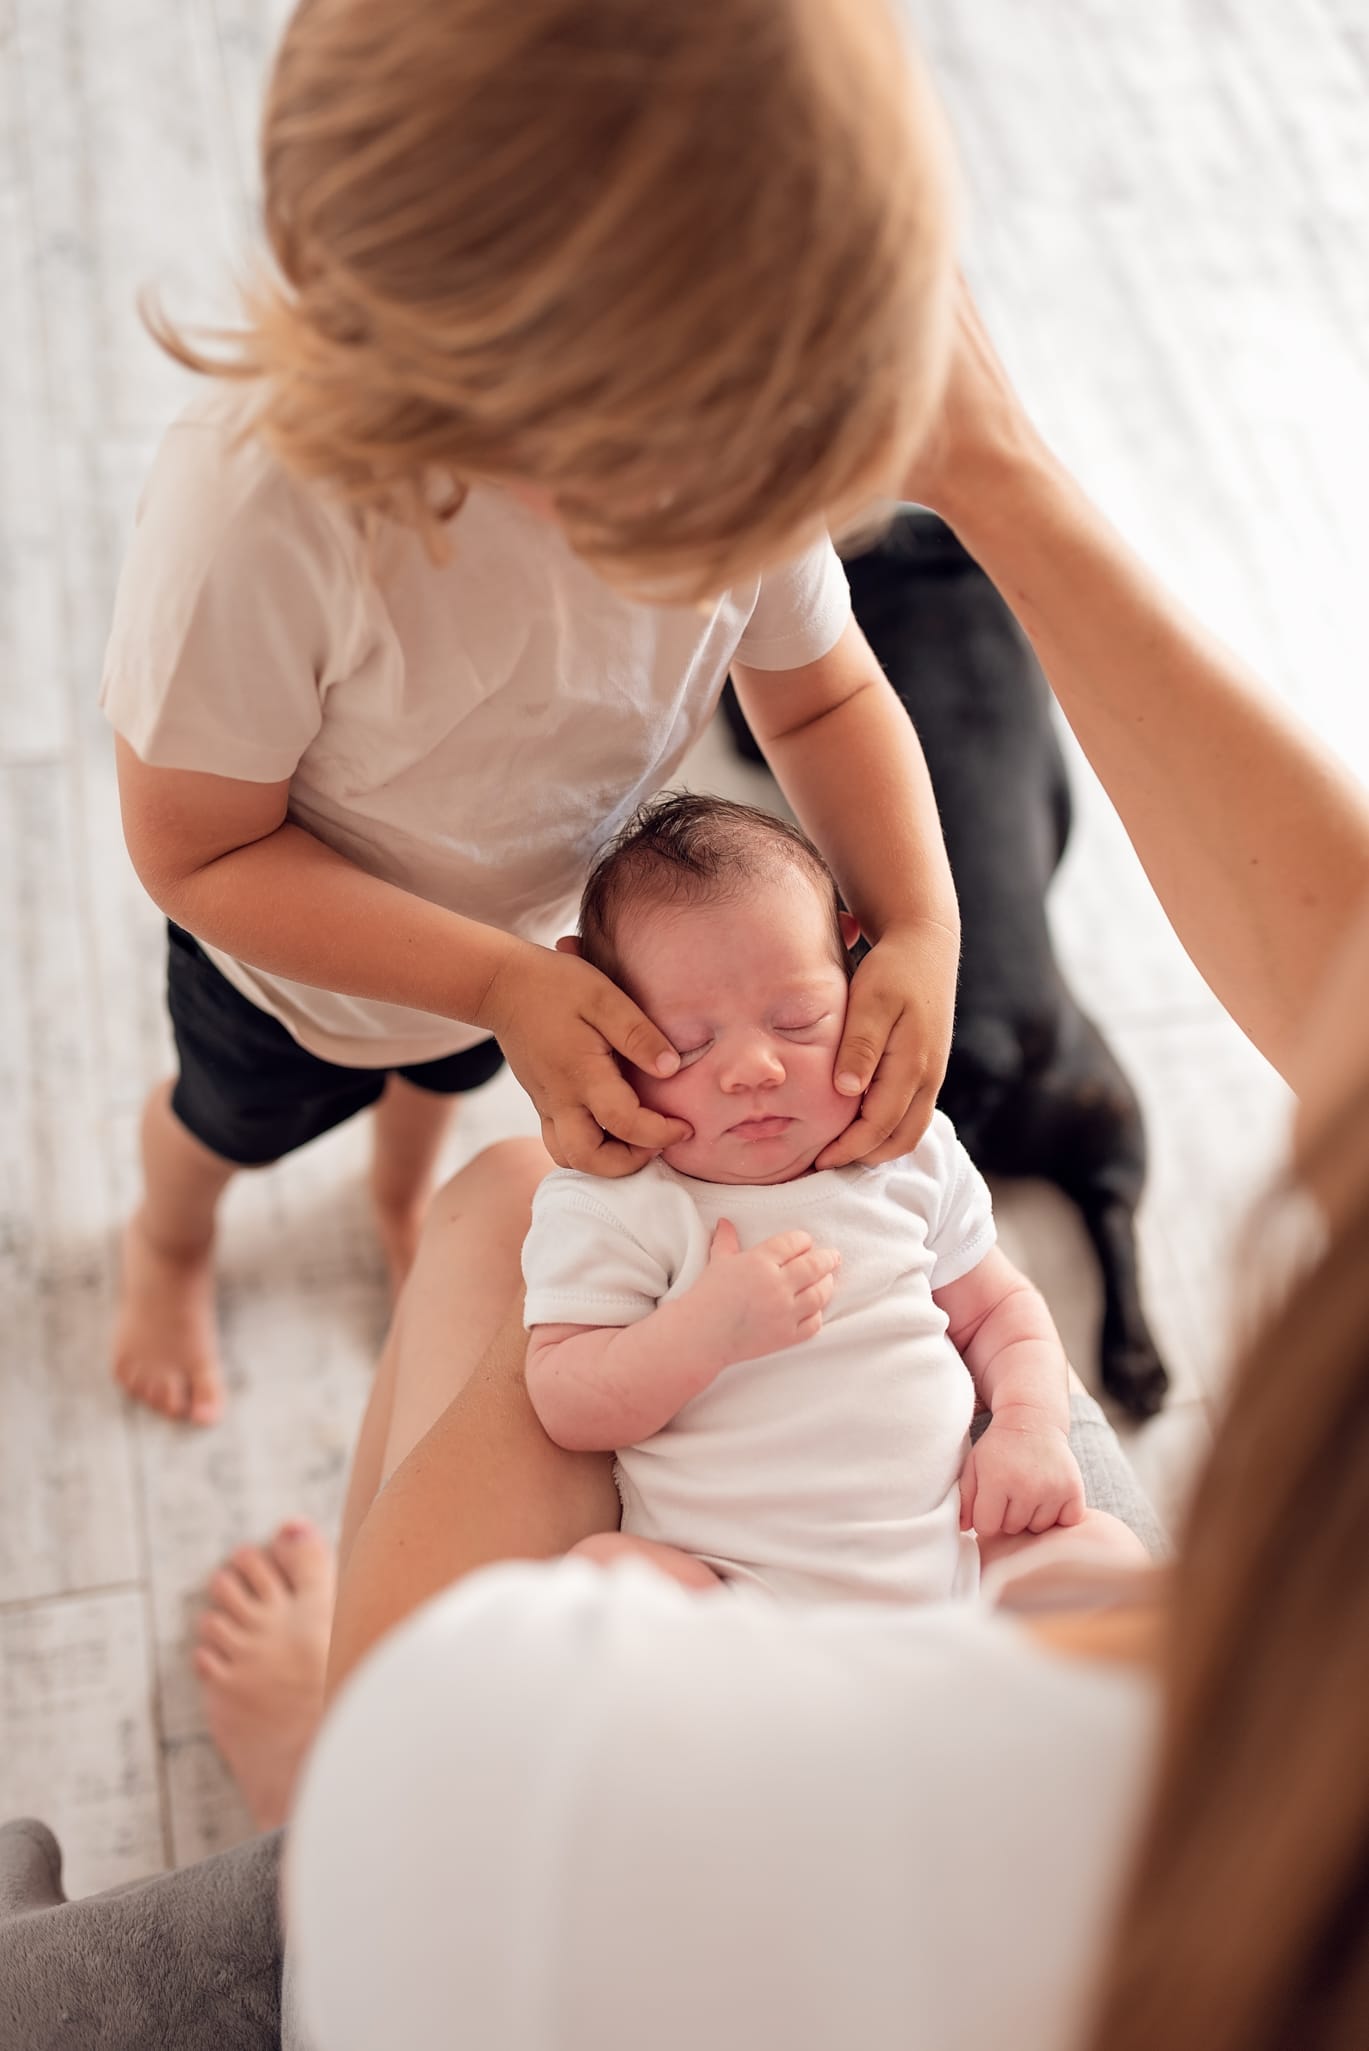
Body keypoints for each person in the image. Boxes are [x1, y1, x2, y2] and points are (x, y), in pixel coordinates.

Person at [100, 0, 962, 1427]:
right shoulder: (262, 510)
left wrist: (919, 918)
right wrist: (495, 981)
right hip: (294, 979)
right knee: (221, 1124)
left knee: (443, 1080)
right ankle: (171, 1234)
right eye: (645, 463)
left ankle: (400, 1184)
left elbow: (823, 693)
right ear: (417, 347)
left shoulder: (730, 419)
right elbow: (197, 850)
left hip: (531, 949)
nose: (710, 502)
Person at [524, 790, 1146, 1603]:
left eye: (797, 1019)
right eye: (687, 1043)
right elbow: (564, 1397)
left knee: (1102, 1553)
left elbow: (999, 1312)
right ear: (608, 1025)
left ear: (854, 969)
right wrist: (698, 1334)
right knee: (603, 1580)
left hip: (954, 1568)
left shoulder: (901, 1153)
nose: (754, 1067)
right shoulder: (622, 1199)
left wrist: (1028, 1425)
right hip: (742, 1601)